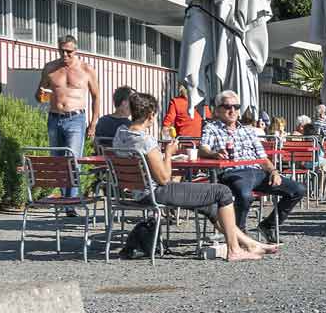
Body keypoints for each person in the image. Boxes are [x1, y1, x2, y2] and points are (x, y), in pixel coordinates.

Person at [111, 93, 280, 261]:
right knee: (222, 192)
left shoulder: (120, 133)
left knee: (212, 207)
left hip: (133, 192)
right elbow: (164, 179)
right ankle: (234, 250)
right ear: (151, 115)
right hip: (154, 193)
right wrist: (169, 154)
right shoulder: (146, 141)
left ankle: (249, 244)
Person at [201, 90, 304, 234]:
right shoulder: (211, 128)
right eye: (227, 106)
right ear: (217, 110)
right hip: (233, 172)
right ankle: (238, 233)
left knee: (297, 190)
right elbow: (203, 149)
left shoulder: (248, 131)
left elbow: (262, 158)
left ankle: (268, 226)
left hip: (258, 172)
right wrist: (214, 154)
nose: (232, 110)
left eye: (236, 107)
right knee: (245, 195)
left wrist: (274, 171)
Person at [36, 36, 101, 159]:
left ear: (76, 51)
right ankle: (58, 179)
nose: (65, 54)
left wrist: (93, 124)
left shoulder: (86, 69)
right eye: (61, 51)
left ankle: (74, 178)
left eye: (69, 52)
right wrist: (41, 95)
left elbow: (96, 96)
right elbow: (40, 96)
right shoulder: (50, 68)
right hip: (54, 118)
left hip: (75, 118)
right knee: (56, 160)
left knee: (74, 159)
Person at [92, 86, 134, 152]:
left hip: (104, 159)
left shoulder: (102, 121)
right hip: (123, 160)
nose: (134, 105)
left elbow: (95, 145)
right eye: (132, 101)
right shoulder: (131, 125)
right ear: (124, 103)